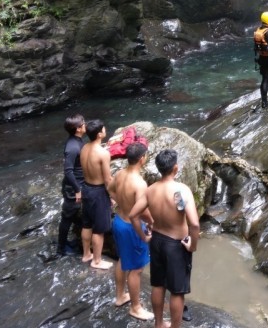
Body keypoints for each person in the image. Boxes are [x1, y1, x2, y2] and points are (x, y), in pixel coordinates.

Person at [129, 149, 200, 328]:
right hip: (176, 245)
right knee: (177, 291)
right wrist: (192, 246)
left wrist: (143, 236)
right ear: (175, 168)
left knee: (158, 285)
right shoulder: (180, 191)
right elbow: (194, 224)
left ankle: (159, 324)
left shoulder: (151, 190)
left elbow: (133, 215)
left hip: (157, 241)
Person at [108, 142, 153, 321]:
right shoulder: (140, 183)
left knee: (123, 259)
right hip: (131, 227)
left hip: (119, 221)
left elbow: (110, 190)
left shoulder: (119, 174)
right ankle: (135, 307)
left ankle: (120, 296)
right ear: (142, 159)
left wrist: (120, 202)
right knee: (136, 269)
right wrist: (152, 222)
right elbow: (142, 211)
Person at [80, 119, 114, 270]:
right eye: (104, 128)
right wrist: (113, 196)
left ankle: (87, 254)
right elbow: (107, 179)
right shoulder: (103, 153)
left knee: (87, 223)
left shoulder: (84, 148)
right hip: (98, 191)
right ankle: (97, 261)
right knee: (99, 229)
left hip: (86, 188)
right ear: (100, 134)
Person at [57, 114, 86, 256]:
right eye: (83, 123)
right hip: (73, 187)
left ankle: (70, 241)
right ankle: (61, 249)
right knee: (67, 217)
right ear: (78, 129)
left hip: (76, 184)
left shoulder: (77, 141)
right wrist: (77, 190)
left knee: (72, 215)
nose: (85, 125)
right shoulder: (73, 147)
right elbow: (68, 171)